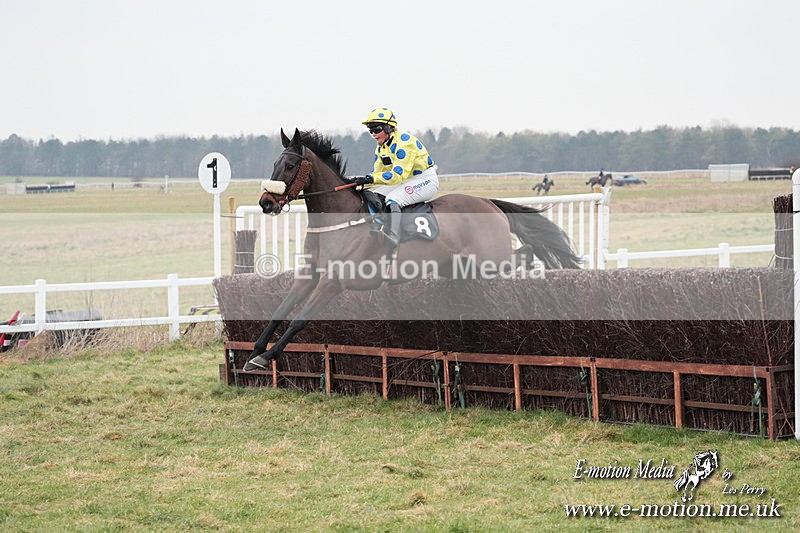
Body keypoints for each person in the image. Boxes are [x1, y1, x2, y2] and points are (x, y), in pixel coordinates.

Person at [352, 107, 439, 246]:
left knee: (393, 199)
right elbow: (376, 174)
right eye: (371, 130)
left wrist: (371, 179)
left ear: (389, 127)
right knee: (375, 194)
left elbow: (397, 176)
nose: (373, 134)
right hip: (406, 180)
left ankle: (392, 236)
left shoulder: (405, 143)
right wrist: (358, 181)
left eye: (377, 129)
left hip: (425, 180)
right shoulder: (381, 147)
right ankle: (377, 226)